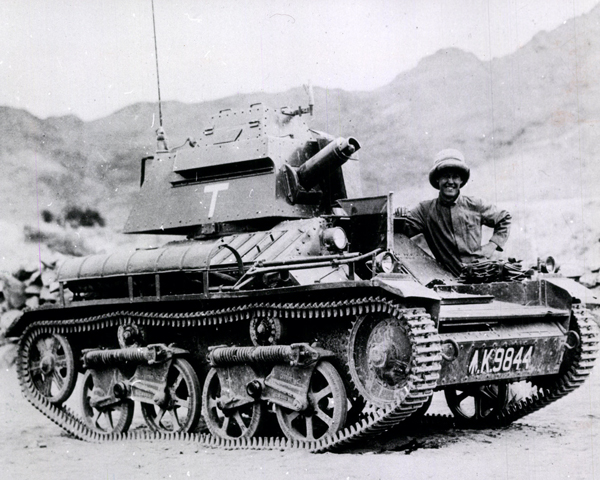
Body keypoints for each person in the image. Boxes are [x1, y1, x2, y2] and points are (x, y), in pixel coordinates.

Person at [396, 149, 511, 276]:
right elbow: (400, 231)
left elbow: (504, 218)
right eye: (445, 176)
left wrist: (492, 245)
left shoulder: (475, 205)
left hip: (480, 275)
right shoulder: (425, 210)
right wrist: (399, 217)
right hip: (447, 280)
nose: (450, 181)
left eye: (455, 177)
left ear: (461, 181)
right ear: (437, 180)